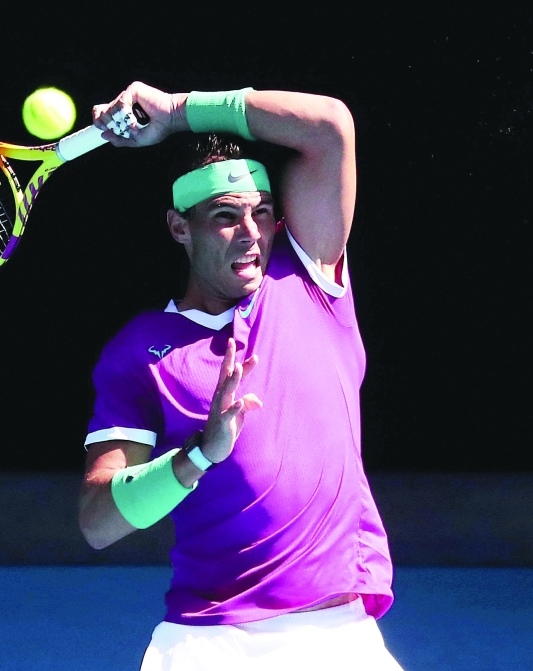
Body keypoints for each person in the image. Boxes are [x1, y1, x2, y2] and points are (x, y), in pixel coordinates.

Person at [78, 81, 402, 671]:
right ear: (181, 228)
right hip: (209, 642)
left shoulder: (310, 280)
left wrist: (178, 112)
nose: (251, 232)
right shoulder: (140, 352)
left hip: (339, 635)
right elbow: (99, 521)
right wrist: (200, 453)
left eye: (262, 213)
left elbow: (329, 126)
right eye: (226, 217)